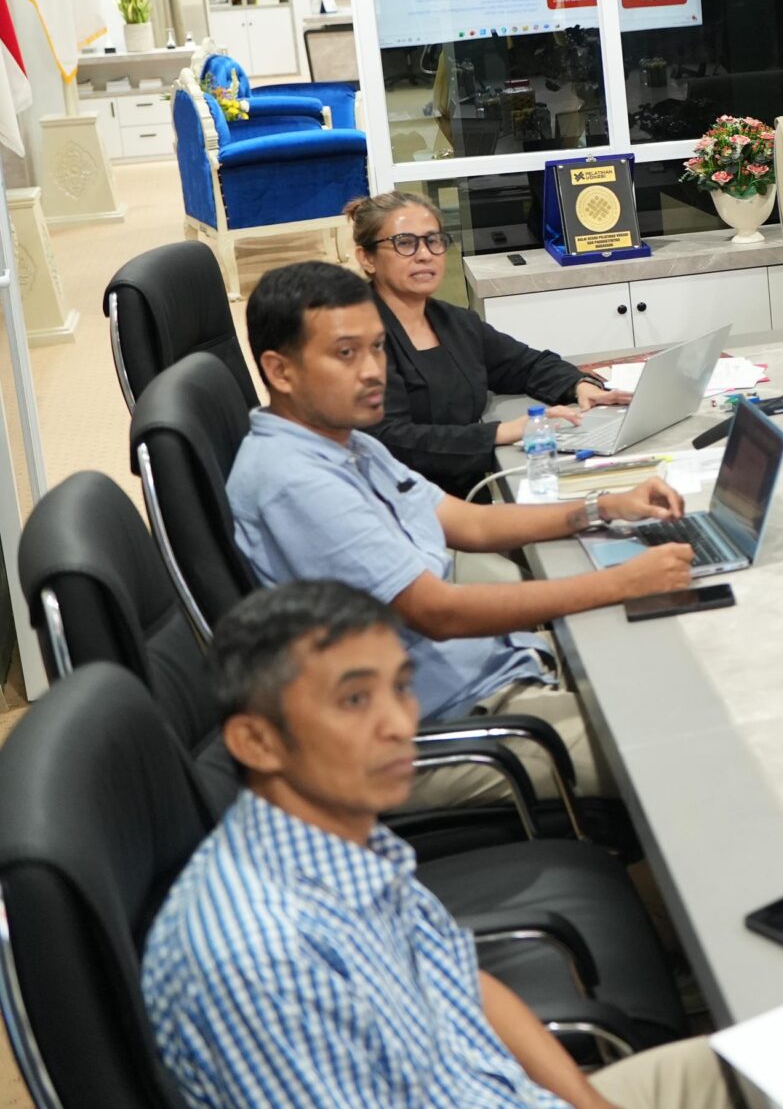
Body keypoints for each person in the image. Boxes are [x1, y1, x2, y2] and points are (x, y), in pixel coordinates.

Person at [144, 582, 735, 1109]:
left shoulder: (342, 838)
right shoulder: (259, 959)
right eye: (355, 701)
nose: (400, 724)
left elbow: (464, 984)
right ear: (256, 742)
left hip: (514, 1093)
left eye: (401, 688)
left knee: (782, 1053)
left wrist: (587, 1101)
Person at [228, 262, 694, 808]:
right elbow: (439, 613)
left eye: (377, 348)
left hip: (475, 675)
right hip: (428, 732)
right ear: (280, 371)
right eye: (346, 353)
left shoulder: (344, 440)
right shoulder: (295, 482)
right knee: (680, 746)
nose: (373, 371)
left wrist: (601, 506)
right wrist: (622, 583)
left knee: (671, 672)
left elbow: (467, 522)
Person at [347, 190, 631, 499]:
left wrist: (580, 385)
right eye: (404, 243)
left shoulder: (455, 322)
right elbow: (386, 439)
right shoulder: (355, 337)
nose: (424, 254)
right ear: (367, 258)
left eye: (433, 240)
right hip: (399, 506)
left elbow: (525, 365)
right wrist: (500, 432)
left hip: (467, 498)